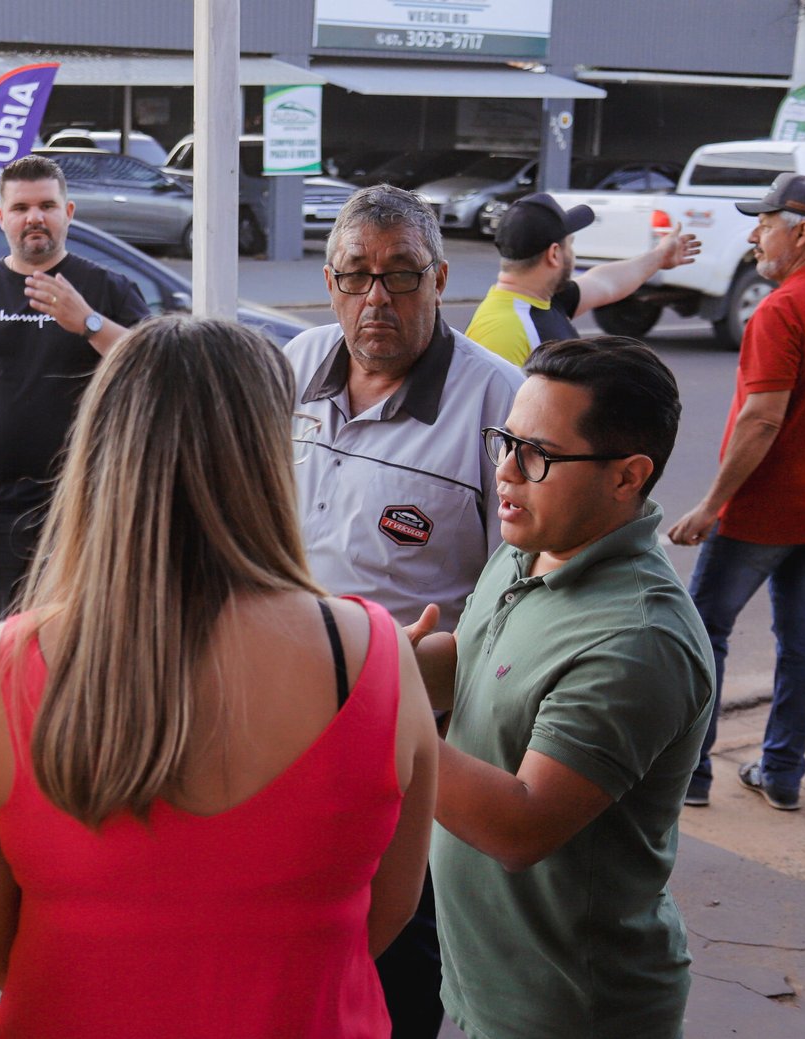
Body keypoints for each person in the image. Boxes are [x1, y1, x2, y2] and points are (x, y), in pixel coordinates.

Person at [0, 315, 438, 1037]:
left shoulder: (5, 666)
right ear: (269, 457)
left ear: (103, 455)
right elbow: (388, 912)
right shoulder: (376, 656)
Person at [284, 183, 521, 1038]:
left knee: (398, 945)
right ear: (330, 279)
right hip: (282, 715)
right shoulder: (293, 366)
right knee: (294, 931)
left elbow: (518, 596)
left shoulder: (500, 404)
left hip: (410, 732)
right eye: (356, 276)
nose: (376, 298)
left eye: (401, 276)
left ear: (442, 279)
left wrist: (426, 672)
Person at [428, 337, 715, 1039]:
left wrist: (375, 716)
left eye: (537, 455)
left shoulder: (637, 640)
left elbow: (519, 824)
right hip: (483, 981)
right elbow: (471, 660)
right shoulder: (527, 546)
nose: (504, 471)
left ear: (627, 476)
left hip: (571, 1009)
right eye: (505, 441)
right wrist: (366, 660)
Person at [668, 173, 805, 811]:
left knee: (700, 635)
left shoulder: (783, 308)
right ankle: (783, 772)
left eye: (763, 224)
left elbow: (761, 417)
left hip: (757, 517)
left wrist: (711, 505)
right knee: (802, 643)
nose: (752, 235)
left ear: (798, 232)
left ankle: (693, 777)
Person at [0, 154, 149, 619]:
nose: (34, 217)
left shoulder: (109, 290)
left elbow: (155, 370)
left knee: (89, 636)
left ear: (69, 213)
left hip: (90, 502)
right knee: (16, 639)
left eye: (47, 205)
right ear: (2, 218)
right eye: (20, 208)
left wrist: (89, 323)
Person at [465, 192, 700, 366]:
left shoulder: (543, 300)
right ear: (554, 254)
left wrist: (659, 257)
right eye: (571, 245)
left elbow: (604, 283)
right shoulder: (504, 332)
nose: (573, 254)